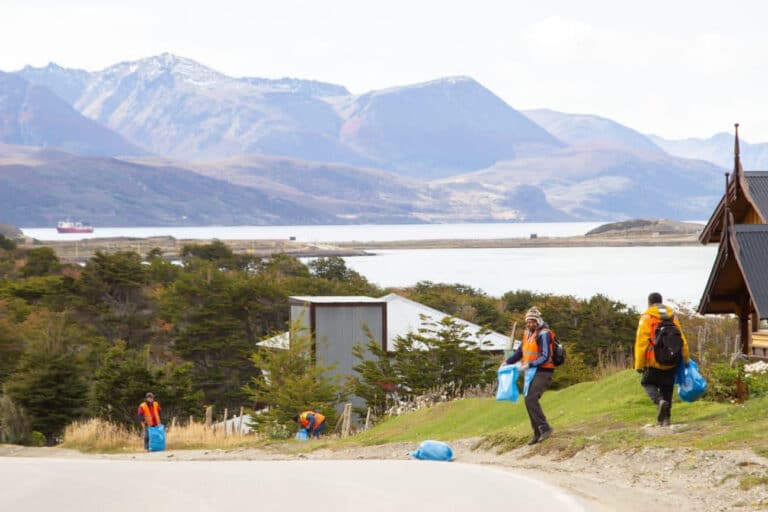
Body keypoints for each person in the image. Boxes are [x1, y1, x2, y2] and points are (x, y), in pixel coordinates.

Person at [634, 292, 690, 426]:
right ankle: (666, 420)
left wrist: (639, 364)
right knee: (667, 389)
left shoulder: (647, 317)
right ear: (661, 301)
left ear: (649, 303)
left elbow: (641, 342)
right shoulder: (672, 317)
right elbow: (681, 339)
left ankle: (659, 401)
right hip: (672, 360)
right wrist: (686, 358)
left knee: (647, 383)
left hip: (654, 360)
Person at [505, 306, 555, 445]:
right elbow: (520, 352)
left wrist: (530, 365)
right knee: (528, 400)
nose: (530, 324)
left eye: (533, 321)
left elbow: (545, 356)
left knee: (531, 398)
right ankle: (537, 432)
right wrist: (507, 362)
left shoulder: (544, 334)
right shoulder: (527, 333)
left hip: (544, 371)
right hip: (531, 371)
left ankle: (545, 428)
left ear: (538, 320)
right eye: (528, 321)